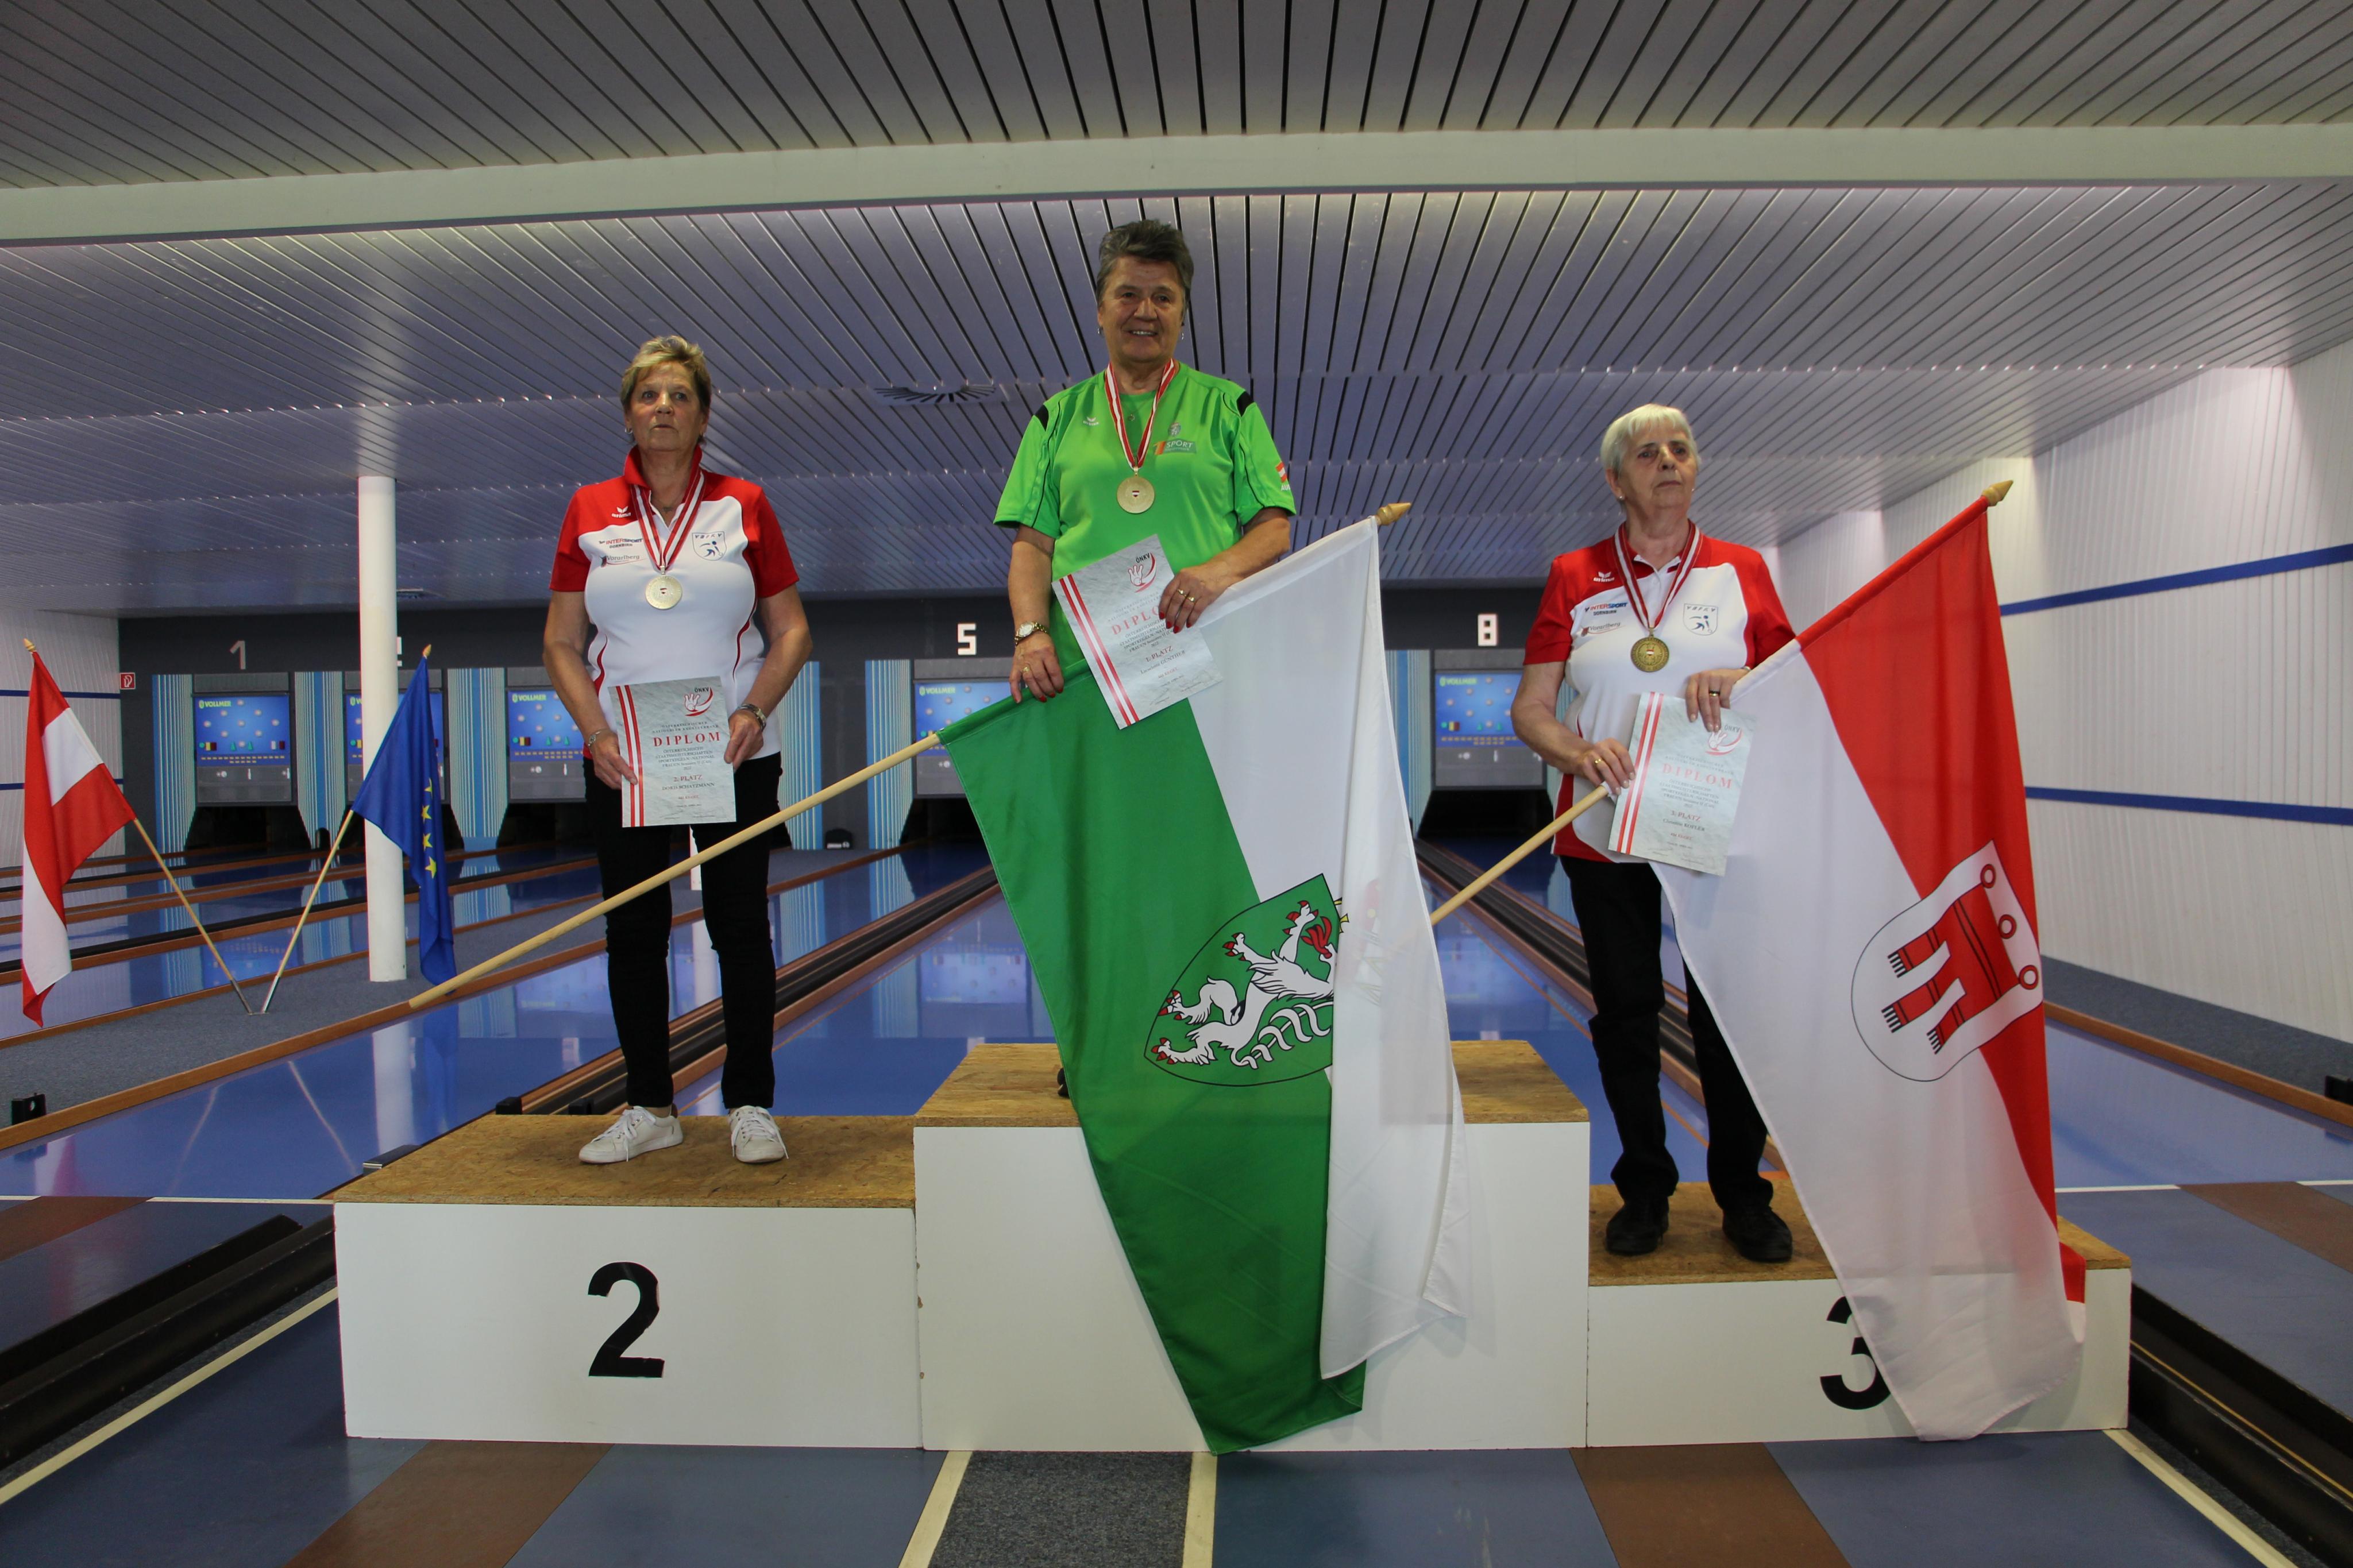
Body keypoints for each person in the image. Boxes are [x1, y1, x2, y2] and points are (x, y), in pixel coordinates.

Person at [1509, 404, 1797, 1262]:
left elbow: (1797, 680)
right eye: (1647, 454)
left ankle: (1743, 1194)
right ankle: (1644, 1189)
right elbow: (1531, 707)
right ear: (1615, 480)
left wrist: (1742, 675)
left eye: (1680, 450)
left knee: (1726, 1015)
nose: (1668, 462)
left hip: (1717, 827)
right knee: (1628, 1013)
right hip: (1604, 831)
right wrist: (1576, 750)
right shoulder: (1574, 574)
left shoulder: (1742, 569)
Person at [544, 335, 814, 1167]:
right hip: (625, 756)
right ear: (628, 413)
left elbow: (791, 630)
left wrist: (755, 710)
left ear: (703, 415)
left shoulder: (744, 505)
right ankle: (649, 1104)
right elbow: (560, 641)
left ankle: (751, 1104)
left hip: (731, 751)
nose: (663, 407)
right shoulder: (590, 508)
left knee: (740, 927)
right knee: (634, 931)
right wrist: (594, 733)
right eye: (649, 395)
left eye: (680, 395)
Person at [997, 219, 1296, 706]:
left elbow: (1274, 531)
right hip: (1088, 674)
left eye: (1163, 298)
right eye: (1128, 295)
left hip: (1205, 663)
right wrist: (1031, 633)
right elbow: (1032, 546)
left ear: (1182, 314)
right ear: (1100, 311)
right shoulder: (1055, 419)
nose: (1145, 311)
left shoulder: (1230, 409)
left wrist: (1215, 572)